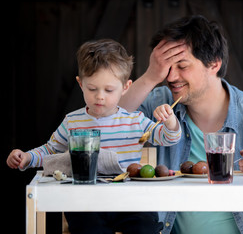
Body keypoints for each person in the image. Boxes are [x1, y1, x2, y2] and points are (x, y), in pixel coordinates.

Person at [119, 15, 243, 234]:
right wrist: (149, 76)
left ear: (214, 63)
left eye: (182, 65)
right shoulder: (159, 104)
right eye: (165, 68)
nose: (171, 77)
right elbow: (109, 122)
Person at [7, 38, 182, 234]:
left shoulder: (135, 121)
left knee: (146, 225)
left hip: (127, 202)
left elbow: (168, 138)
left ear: (125, 87)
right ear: (80, 84)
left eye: (109, 90)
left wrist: (170, 121)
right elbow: (50, 150)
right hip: (86, 203)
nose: (100, 96)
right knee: (87, 226)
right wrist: (27, 157)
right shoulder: (72, 121)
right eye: (92, 89)